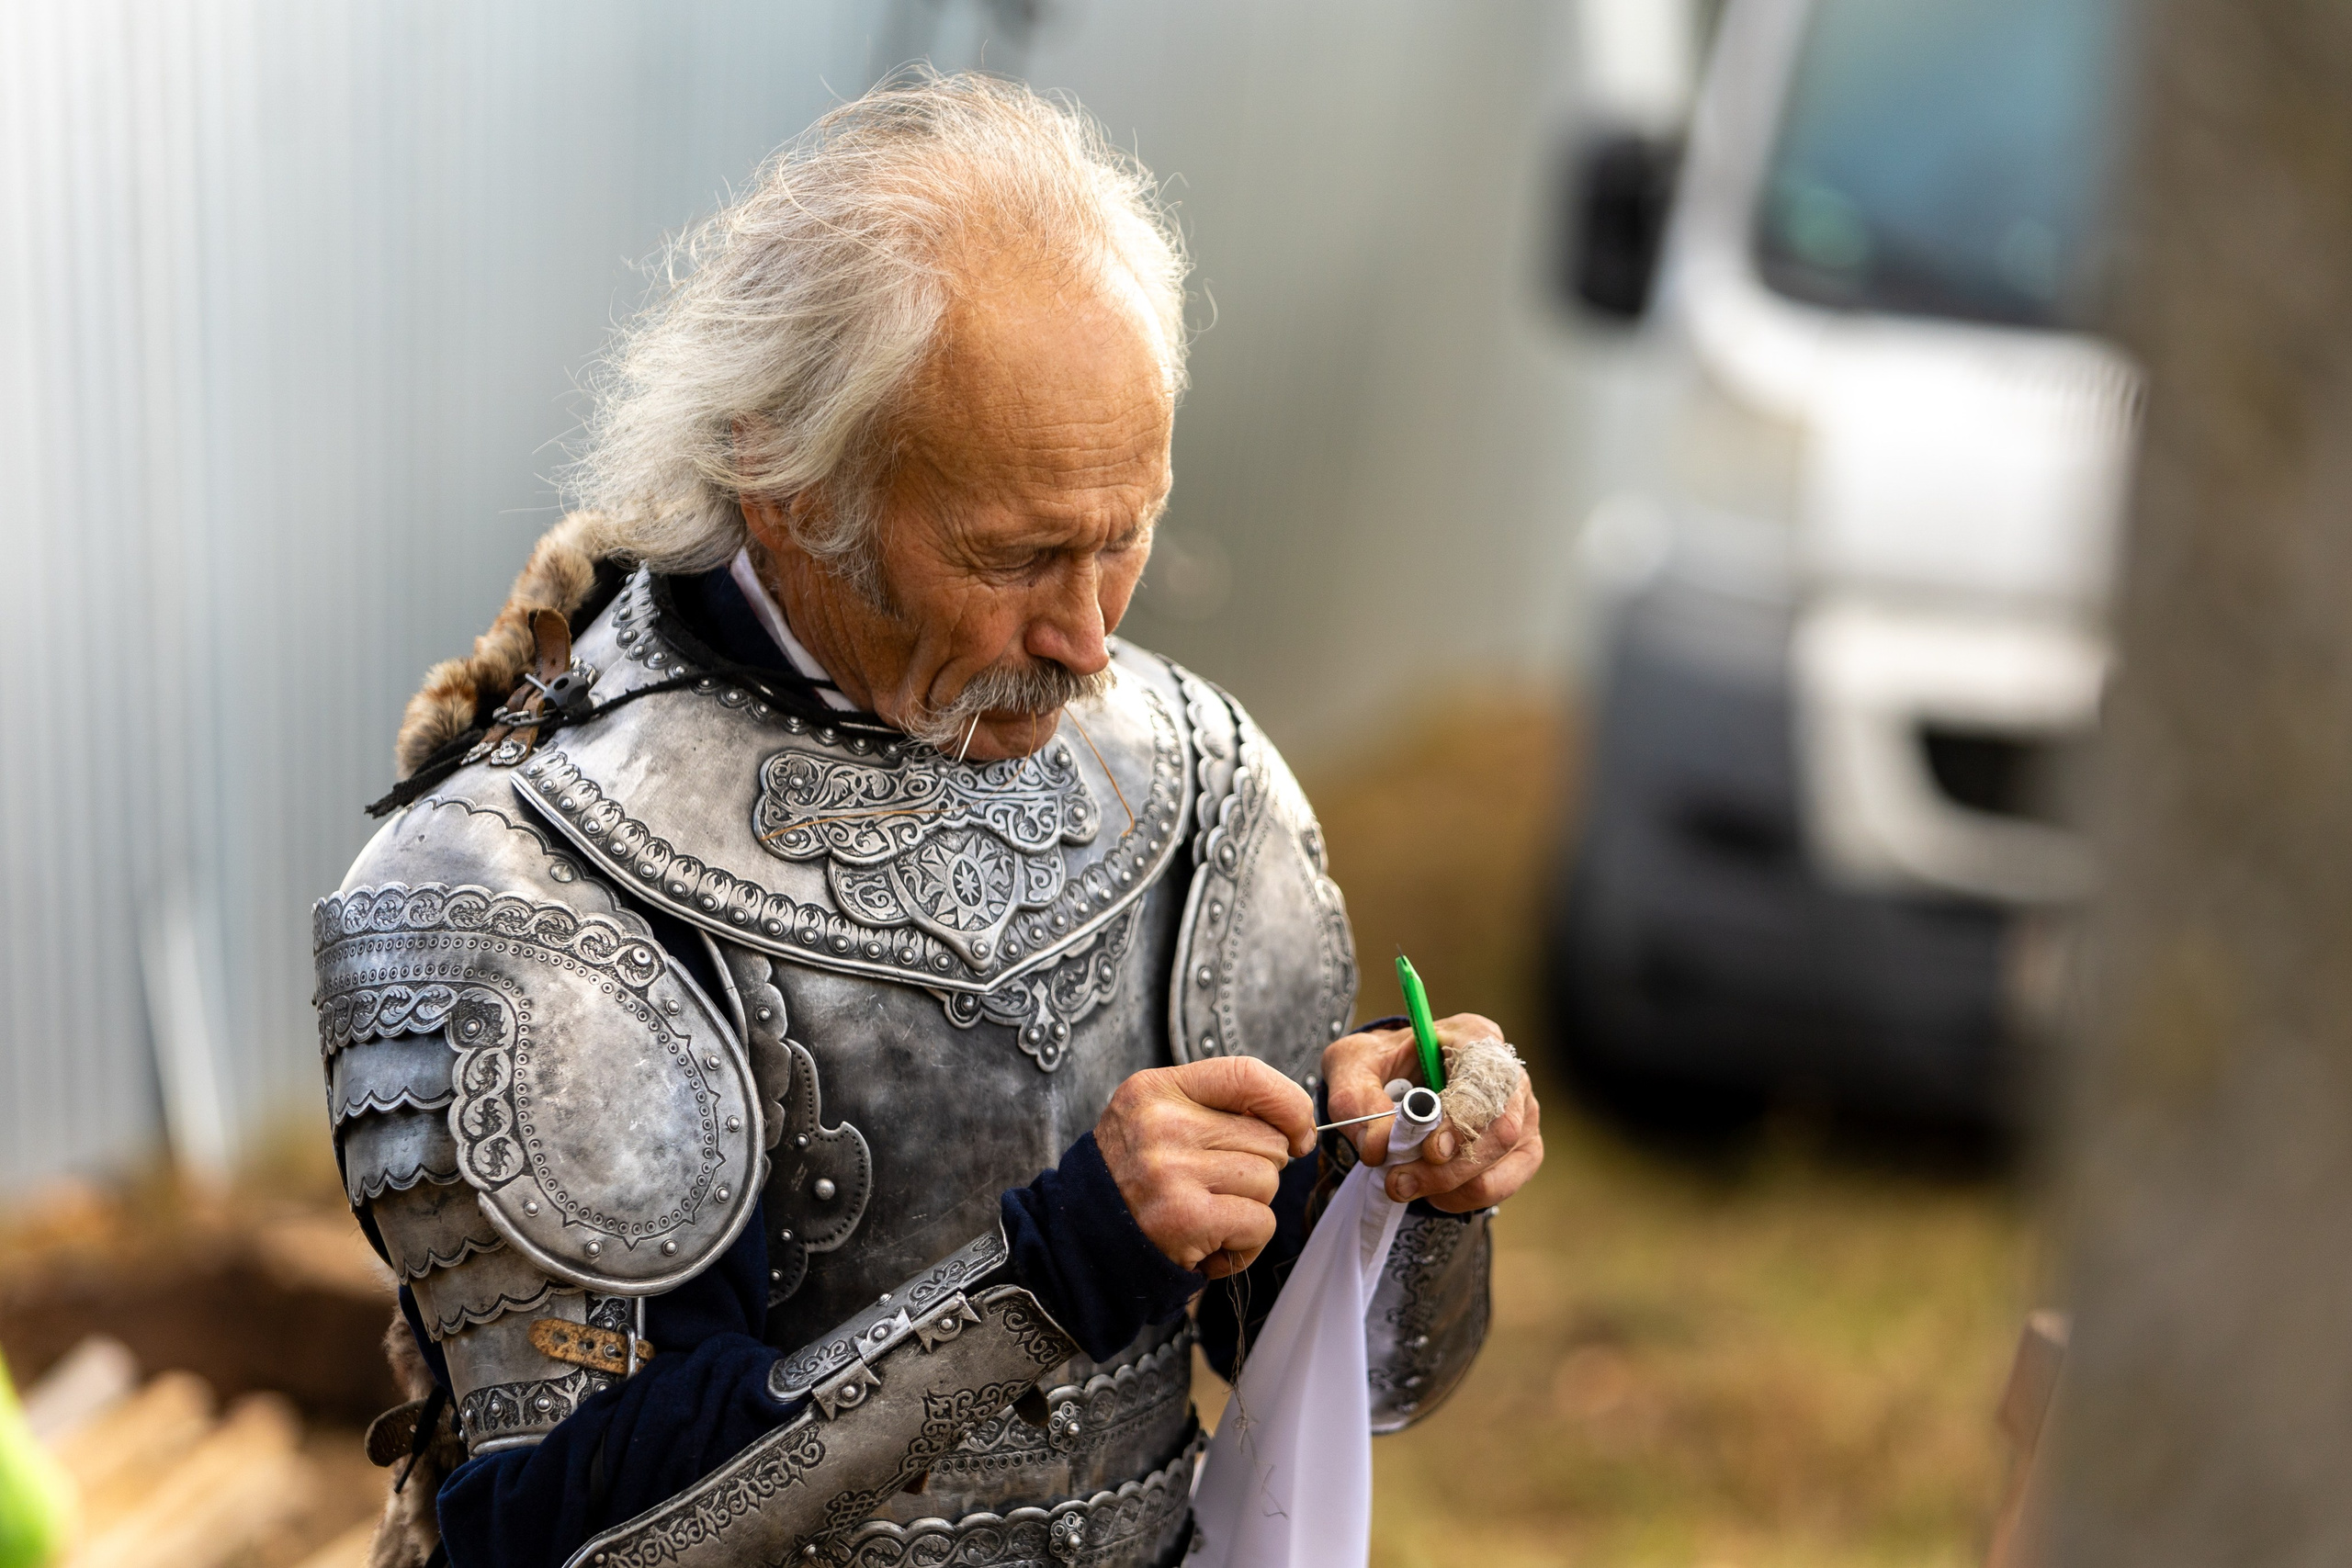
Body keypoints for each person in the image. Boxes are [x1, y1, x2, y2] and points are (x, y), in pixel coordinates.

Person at [320, 71, 1543, 1568]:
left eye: (1125, 535)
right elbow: (568, 1540)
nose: (1091, 640)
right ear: (784, 480)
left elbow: (1374, 1384)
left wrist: (1393, 1192)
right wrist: (1059, 1271)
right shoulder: (516, 876)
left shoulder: (1194, 782)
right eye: (1017, 554)